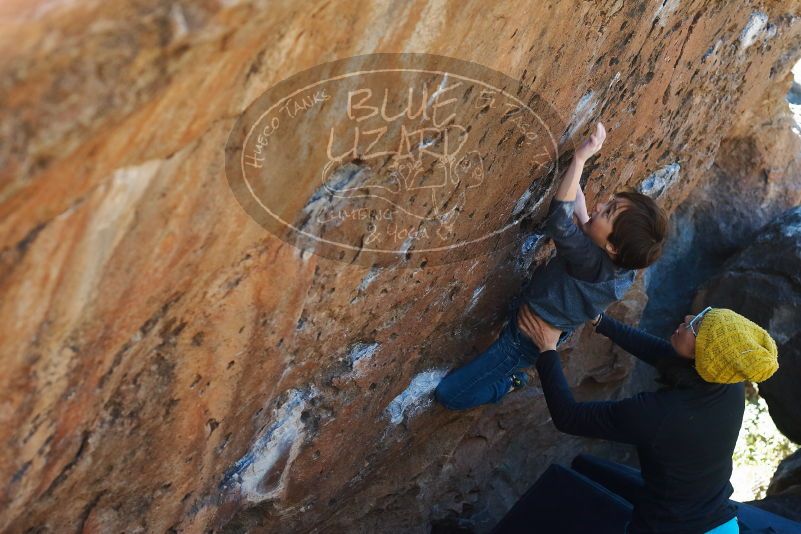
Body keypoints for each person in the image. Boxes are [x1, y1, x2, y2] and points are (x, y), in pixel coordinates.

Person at [435, 122, 668, 410]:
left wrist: (581, 159)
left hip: (523, 340)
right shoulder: (623, 266)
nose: (598, 207)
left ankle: (507, 384)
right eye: (608, 204)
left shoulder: (593, 266)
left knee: (450, 395)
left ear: (613, 248)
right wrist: (582, 209)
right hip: (539, 317)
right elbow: (587, 238)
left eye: (607, 212)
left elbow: (560, 221)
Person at [514, 303, 780, 533]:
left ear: (706, 355)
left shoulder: (661, 415)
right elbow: (663, 354)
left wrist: (546, 349)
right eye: (700, 316)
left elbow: (568, 417)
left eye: (696, 326)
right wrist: (601, 321)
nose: (687, 318)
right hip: (721, 522)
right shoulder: (727, 380)